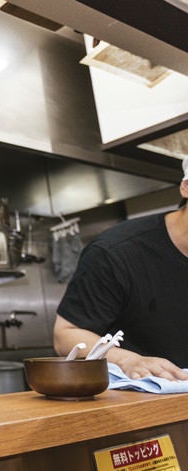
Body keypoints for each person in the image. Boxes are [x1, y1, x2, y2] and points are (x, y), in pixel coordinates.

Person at [53, 156, 188, 381]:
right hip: (132, 401)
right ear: (186, 187)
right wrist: (129, 360)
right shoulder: (116, 252)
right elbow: (65, 336)